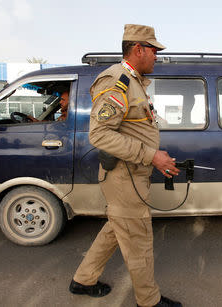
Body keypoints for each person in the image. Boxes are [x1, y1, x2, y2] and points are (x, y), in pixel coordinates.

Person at [69, 24, 182, 307]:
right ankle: (149, 301)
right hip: (124, 176)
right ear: (138, 49)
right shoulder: (116, 81)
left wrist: (153, 155)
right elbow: (100, 134)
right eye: (154, 50)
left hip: (130, 173)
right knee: (138, 237)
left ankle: (83, 280)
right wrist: (152, 156)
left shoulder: (133, 82)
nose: (157, 56)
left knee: (116, 229)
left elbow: (133, 129)